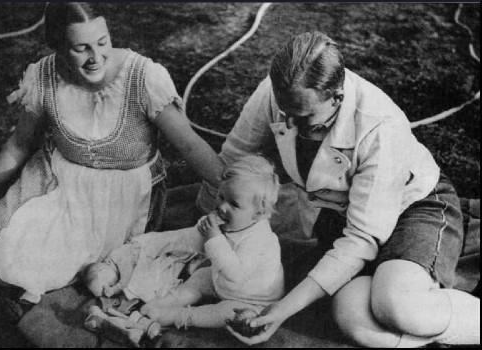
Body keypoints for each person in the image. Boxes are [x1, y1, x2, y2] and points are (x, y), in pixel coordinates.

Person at [197, 32, 480, 346]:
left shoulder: (380, 124)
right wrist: (209, 238)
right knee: (352, 315)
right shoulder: (276, 93)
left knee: (398, 307)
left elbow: (362, 237)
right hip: (345, 217)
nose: (291, 127)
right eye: (285, 114)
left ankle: (443, 312)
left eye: (307, 120)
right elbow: (233, 163)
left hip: (413, 208)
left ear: (338, 97)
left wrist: (281, 310)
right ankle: (437, 320)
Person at [0, 2, 222, 305]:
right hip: (57, 181)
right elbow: (19, 144)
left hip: (125, 196)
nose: (96, 58)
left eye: (102, 42)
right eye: (81, 48)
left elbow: (189, 144)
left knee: (98, 271)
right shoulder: (43, 75)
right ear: (57, 46)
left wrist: (229, 189)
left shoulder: (143, 77)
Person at [139, 155, 284, 330]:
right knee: (200, 278)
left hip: (250, 299)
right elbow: (195, 239)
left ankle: (181, 316)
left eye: (234, 204)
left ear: (259, 214)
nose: (222, 207)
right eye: (221, 197)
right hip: (222, 282)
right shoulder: (238, 221)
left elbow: (235, 274)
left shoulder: (260, 240)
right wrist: (204, 230)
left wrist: (214, 238)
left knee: (228, 313)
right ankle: (168, 301)